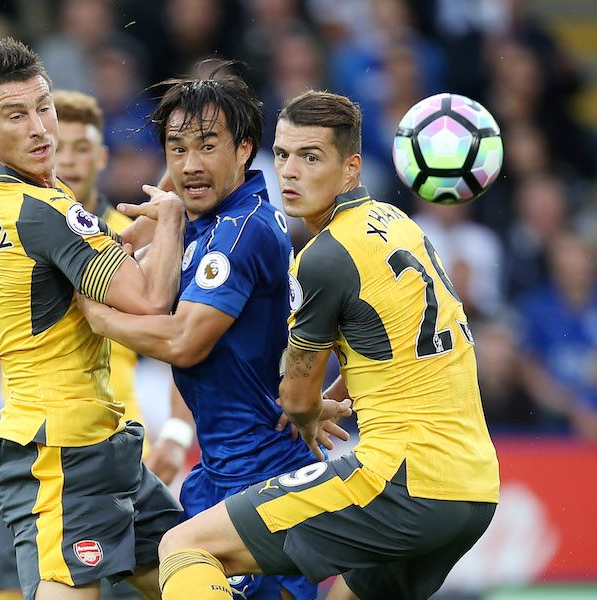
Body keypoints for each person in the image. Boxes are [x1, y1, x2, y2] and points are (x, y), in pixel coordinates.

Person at [147, 90, 500, 600]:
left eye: (311, 158)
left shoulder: (323, 257)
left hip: (400, 480)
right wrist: (331, 393)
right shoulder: (400, 224)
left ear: (351, 168)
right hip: (474, 486)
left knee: (185, 545)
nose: (290, 172)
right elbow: (397, 345)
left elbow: (294, 400)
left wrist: (310, 410)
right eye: (283, 154)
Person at [77, 72, 350, 600]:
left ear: (244, 149)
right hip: (217, 471)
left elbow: (184, 342)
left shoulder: (240, 231)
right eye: (177, 149)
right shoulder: (209, 221)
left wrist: (99, 318)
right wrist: (155, 225)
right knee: (136, 554)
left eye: (207, 146)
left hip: (264, 474)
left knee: (169, 557)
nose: (190, 165)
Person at [0, 38, 184, 600]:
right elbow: (150, 301)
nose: (40, 128)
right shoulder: (43, 211)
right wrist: (173, 219)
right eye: (16, 115)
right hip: (59, 453)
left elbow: (105, 258)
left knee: (190, 568)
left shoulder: (21, 199)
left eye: (44, 107)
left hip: (103, 443)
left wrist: (154, 211)